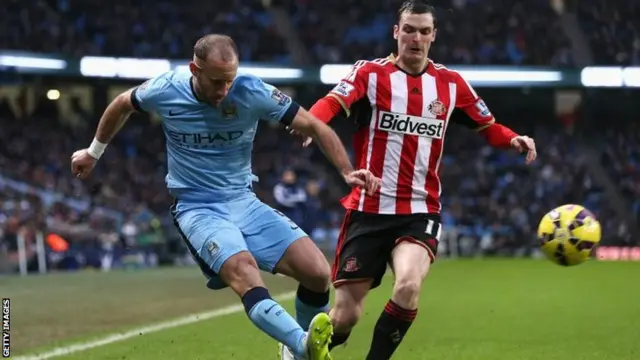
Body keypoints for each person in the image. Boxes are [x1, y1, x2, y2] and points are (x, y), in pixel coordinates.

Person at [70, 34, 380, 360]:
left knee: (318, 273)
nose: (223, 91)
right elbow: (122, 103)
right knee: (245, 271)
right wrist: (93, 152)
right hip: (196, 207)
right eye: (216, 82)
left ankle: (295, 349)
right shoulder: (165, 88)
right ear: (195, 69)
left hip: (243, 201)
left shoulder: (250, 90)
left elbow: (316, 126)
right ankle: (302, 348)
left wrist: (346, 171)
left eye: (229, 81)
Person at [285, 1, 538, 359]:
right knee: (346, 315)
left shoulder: (451, 85)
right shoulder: (370, 74)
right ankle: (299, 348)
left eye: (423, 31)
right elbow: (332, 101)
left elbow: (488, 125)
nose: (415, 38)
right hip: (368, 210)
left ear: (433, 36)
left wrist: (513, 138)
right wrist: (311, 123)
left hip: (419, 210)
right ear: (396, 33)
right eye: (409, 30)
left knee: (407, 286)